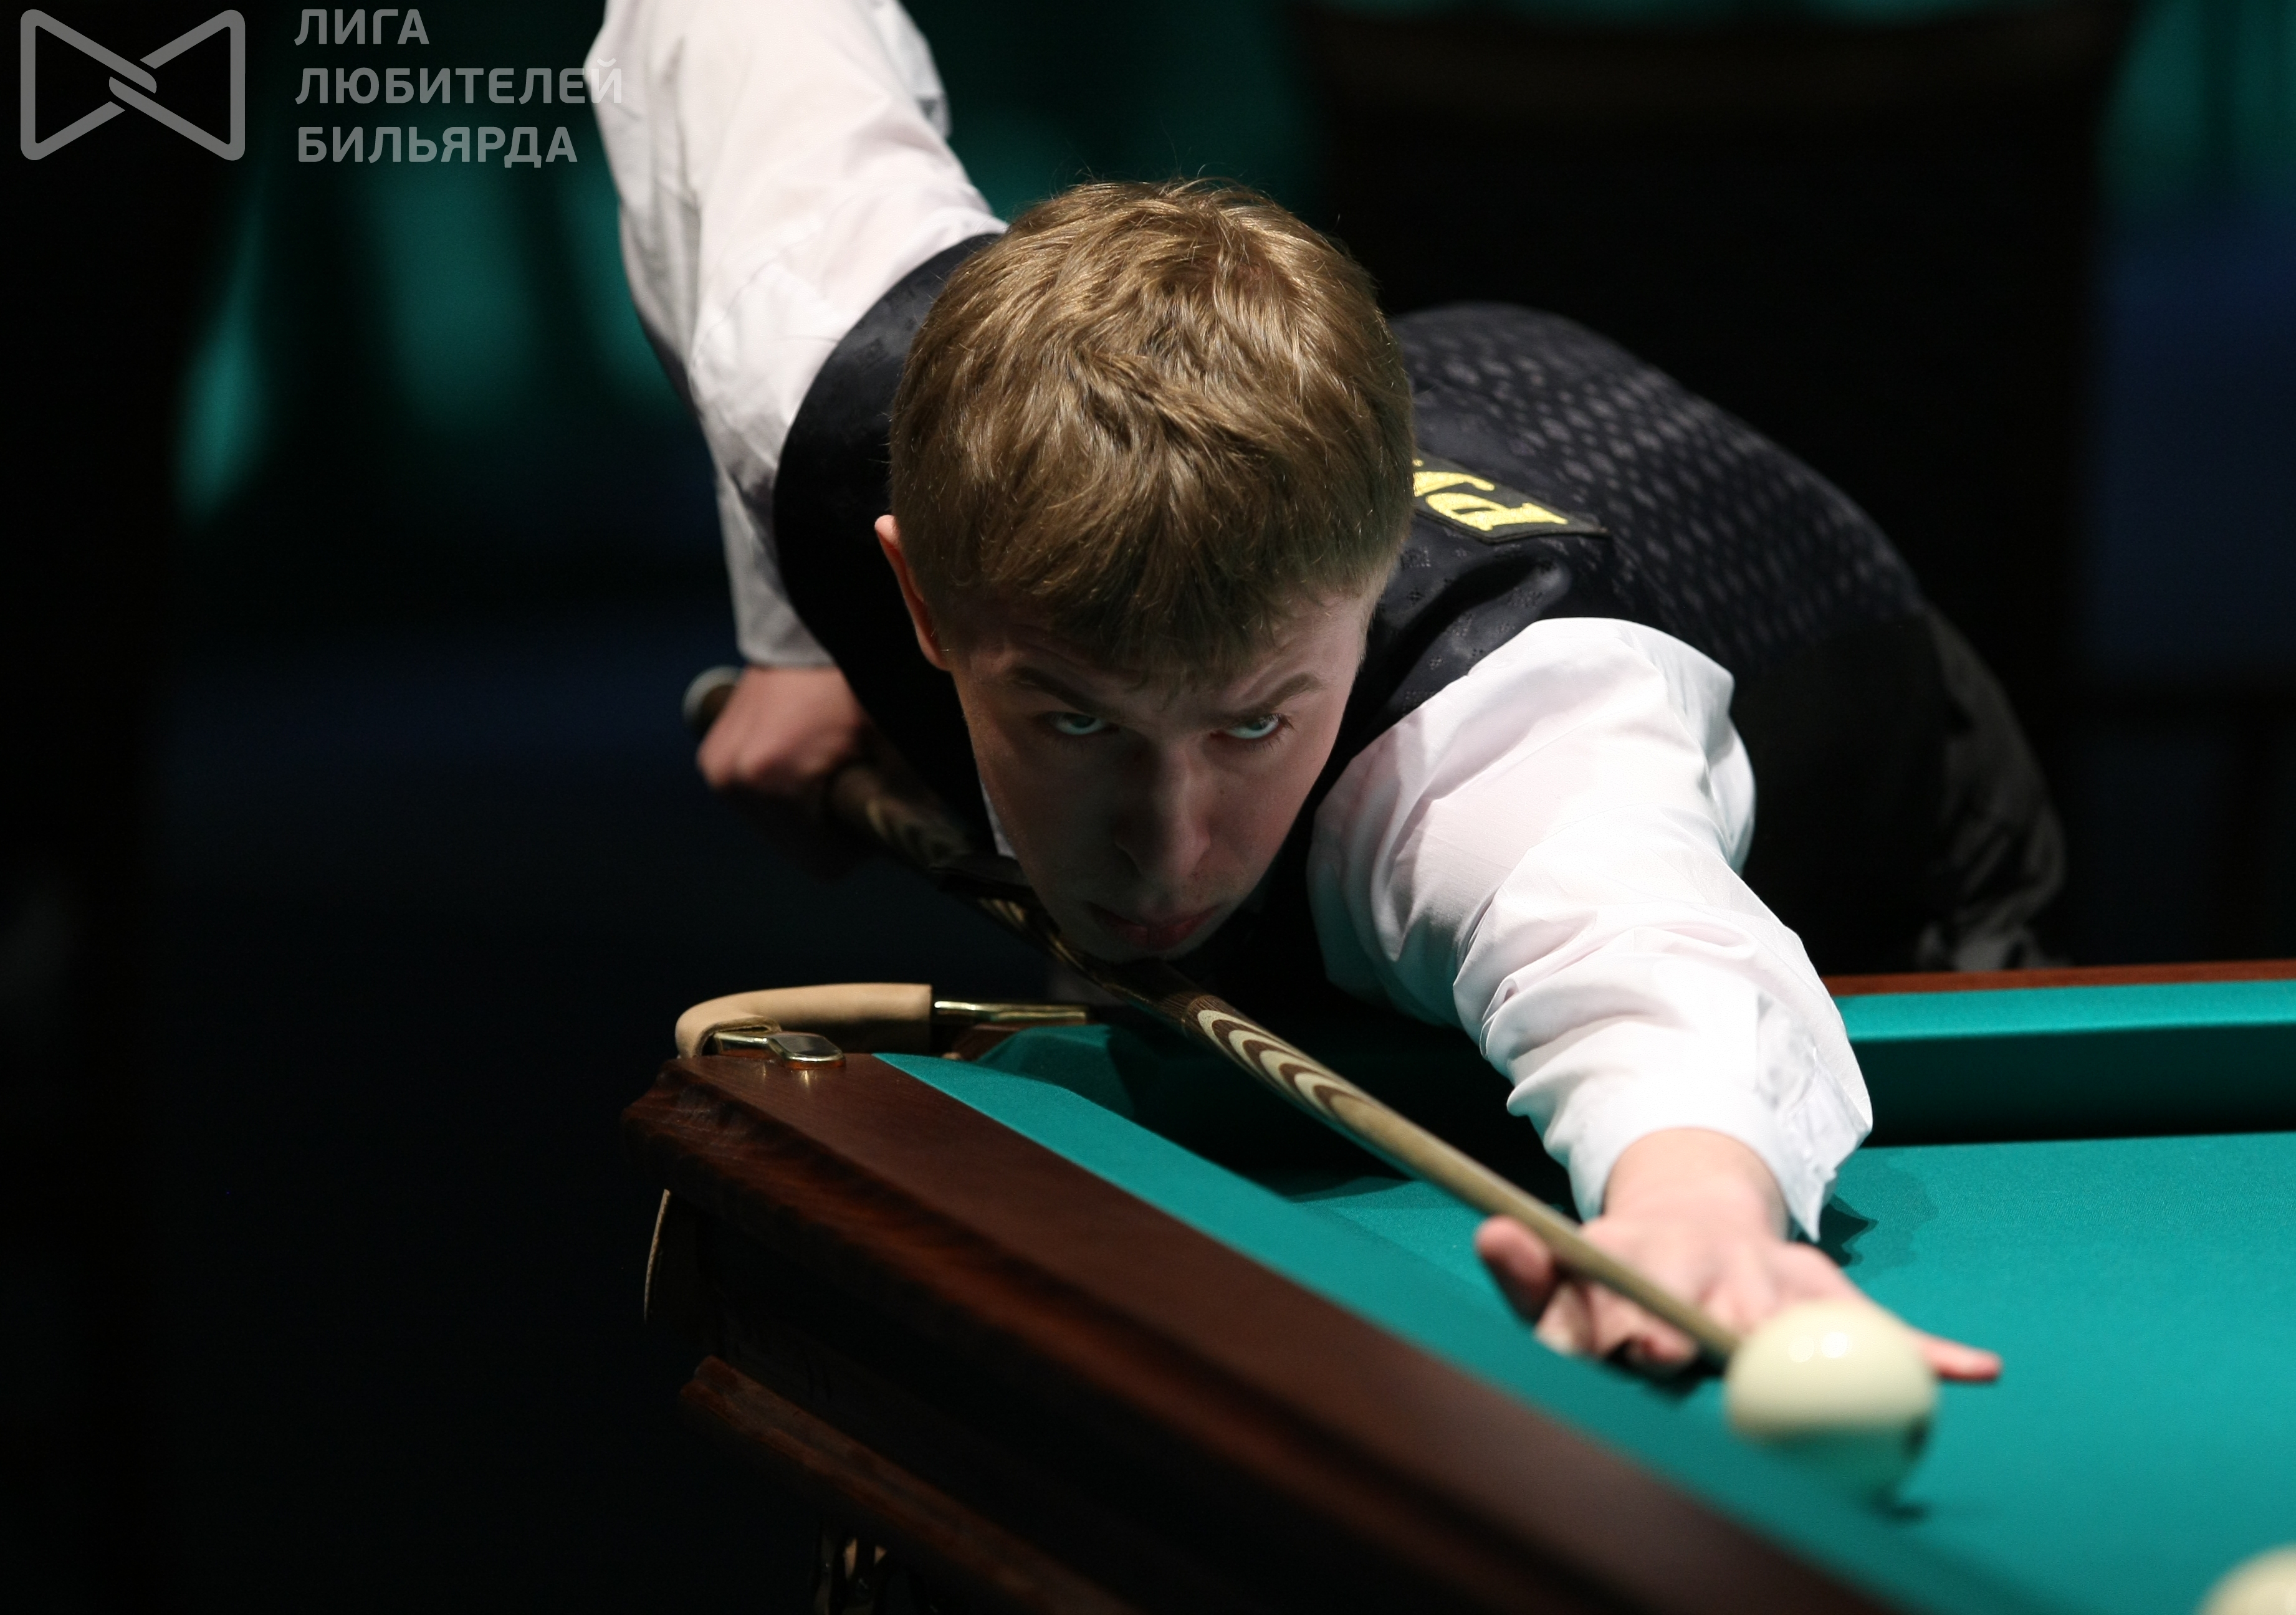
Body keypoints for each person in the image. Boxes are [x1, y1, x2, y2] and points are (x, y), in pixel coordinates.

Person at [593, 0, 2059, 1376]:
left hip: (1856, 766)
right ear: (919, 592)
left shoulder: (1501, 744)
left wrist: (1697, 1211)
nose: (1166, 848)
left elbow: (1649, 969)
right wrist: (799, 643)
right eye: (1074, 718)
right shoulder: (838, 375)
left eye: (1254, 723)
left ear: (1361, 608)